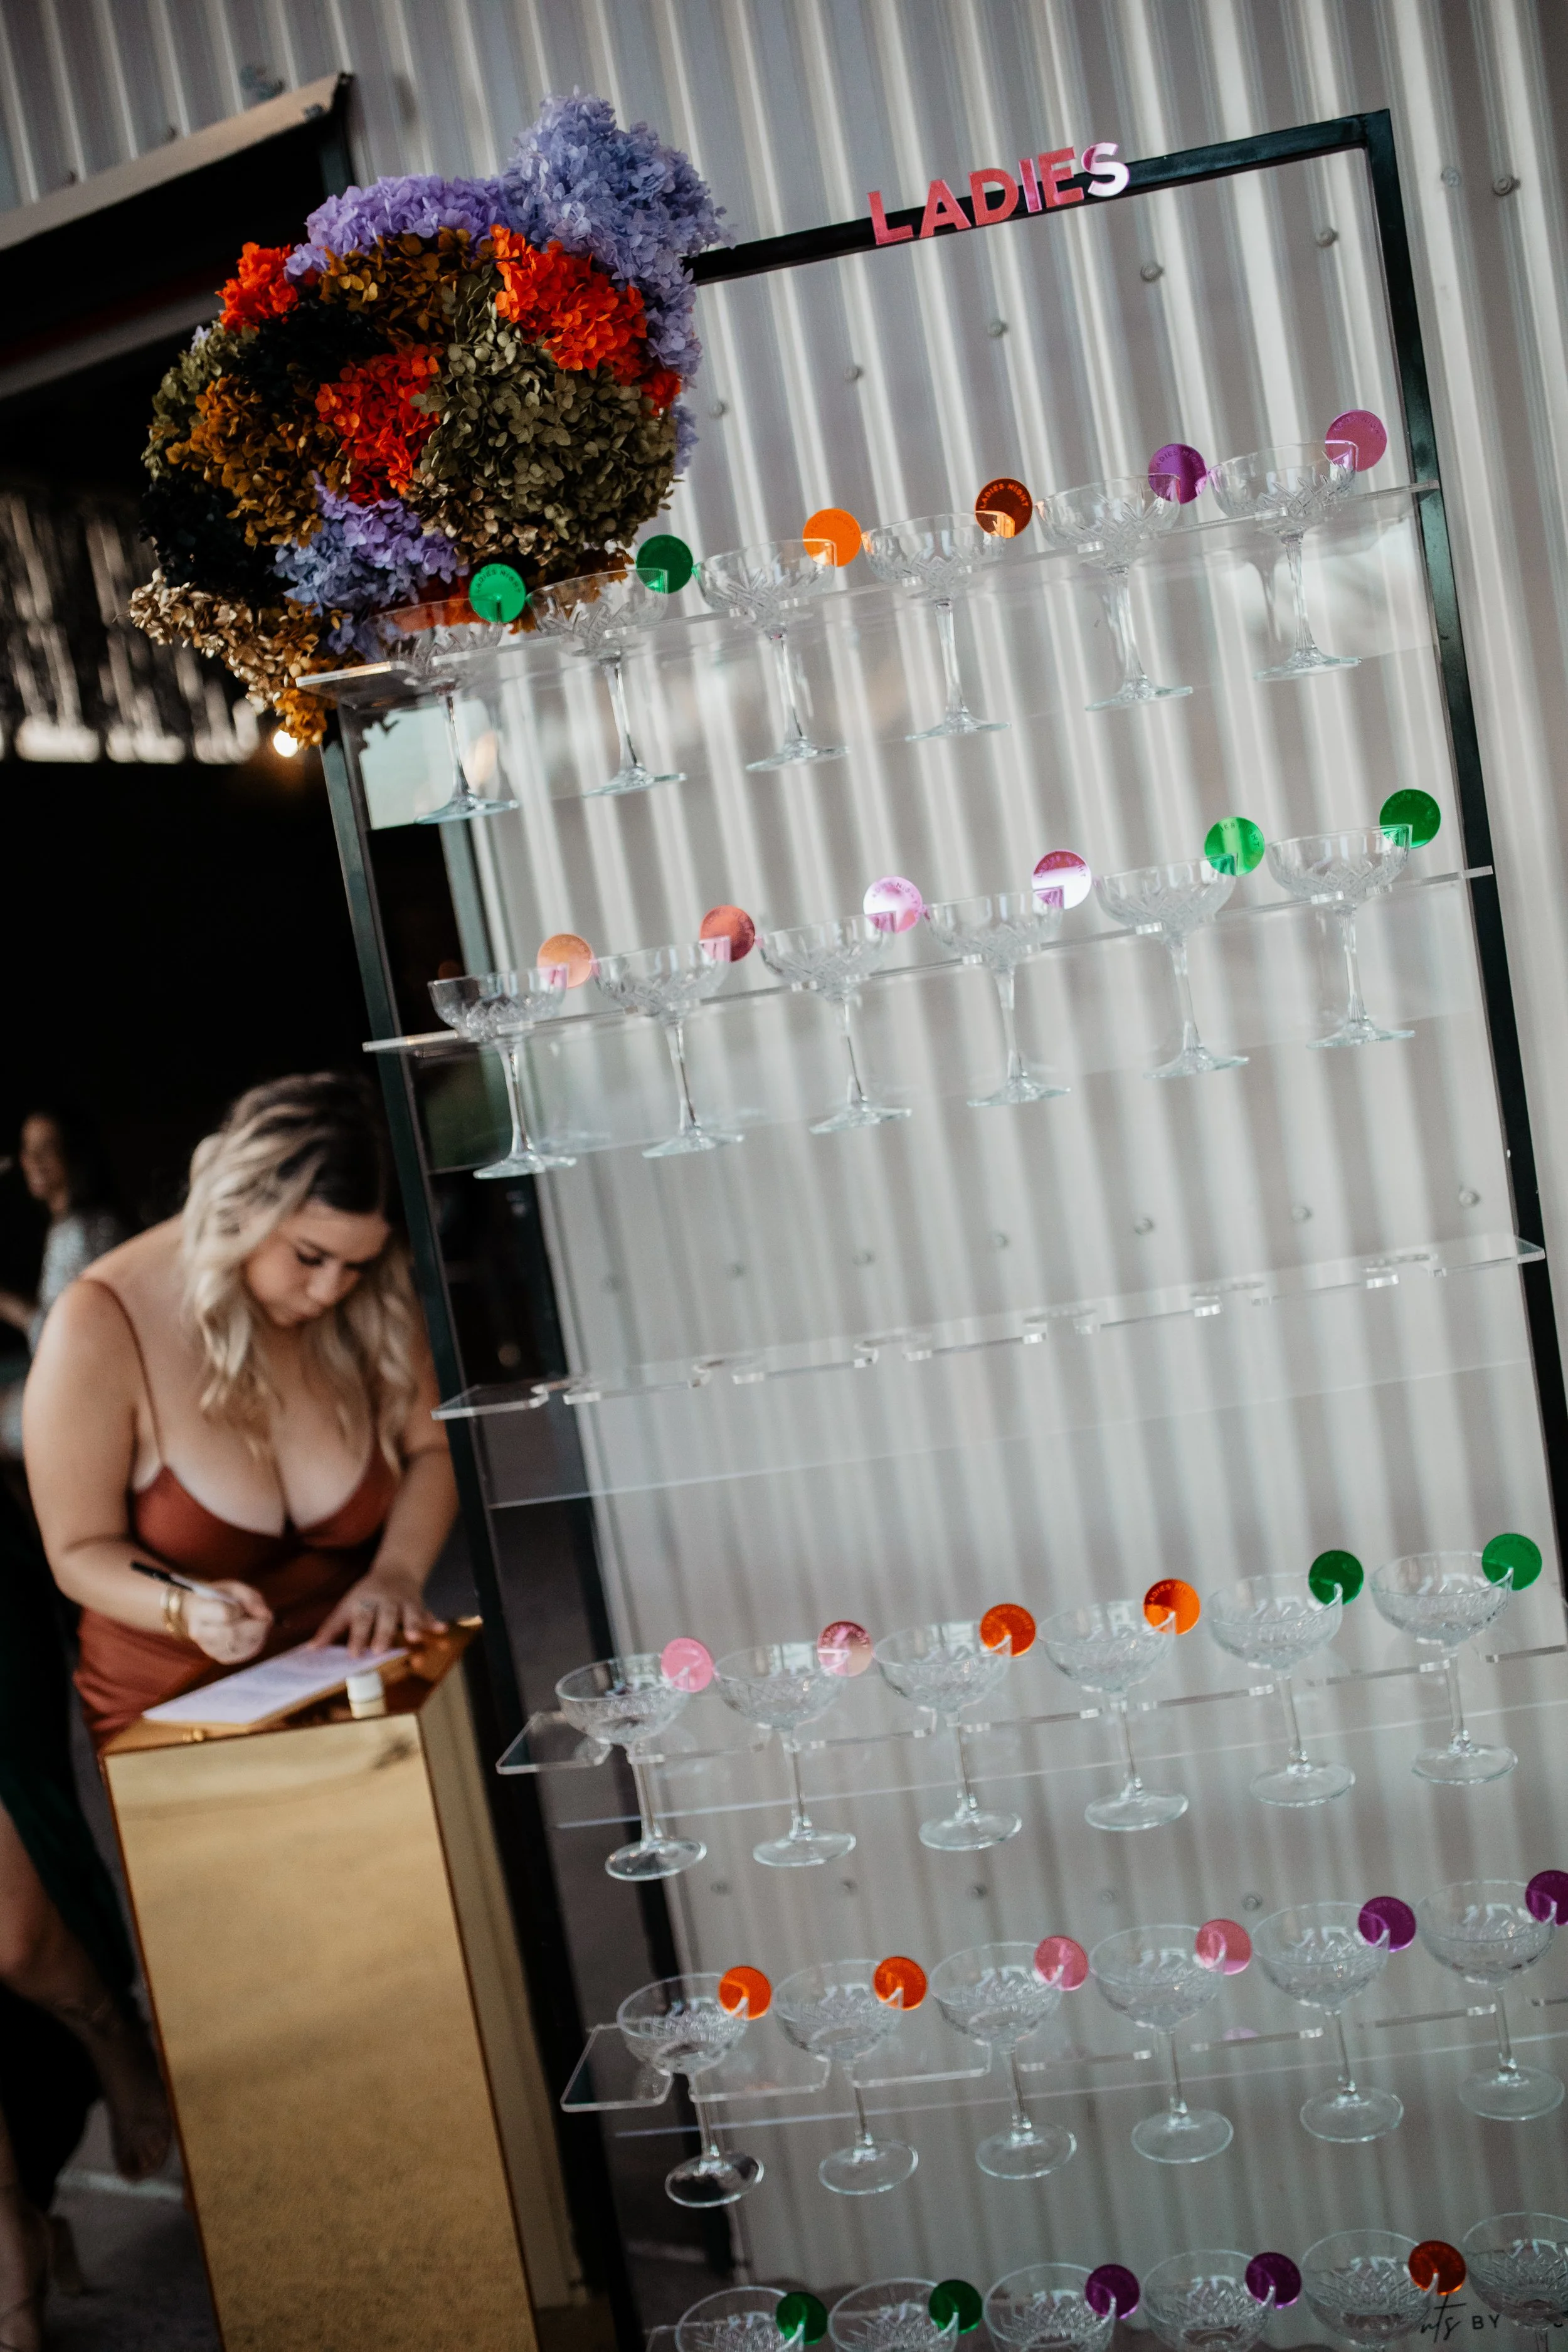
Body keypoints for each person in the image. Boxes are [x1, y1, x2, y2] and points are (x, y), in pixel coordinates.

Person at [23, 1072, 458, 1744]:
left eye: (355, 1265)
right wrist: (182, 1607)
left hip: (357, 1688)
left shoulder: (368, 1297)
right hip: (173, 1711)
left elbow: (433, 1449)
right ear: (240, 1211)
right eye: (309, 1256)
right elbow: (77, 1550)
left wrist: (396, 1571)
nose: (329, 1291)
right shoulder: (99, 1321)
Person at [0, 1110, 127, 1459]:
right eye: (26, 1150)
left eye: (46, 1148)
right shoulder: (84, 1224)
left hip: (87, 1398)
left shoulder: (79, 1234)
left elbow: (59, 1343)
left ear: (73, 1154)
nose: (31, 1161)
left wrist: (7, 1305)